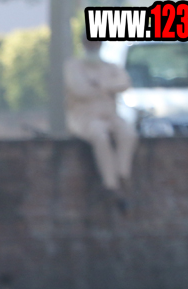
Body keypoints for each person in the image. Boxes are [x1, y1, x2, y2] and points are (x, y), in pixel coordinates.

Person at [66, 33, 138, 209]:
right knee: (100, 135)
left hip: (111, 115)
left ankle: (123, 174)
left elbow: (125, 83)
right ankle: (111, 184)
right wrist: (108, 86)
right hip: (85, 117)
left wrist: (99, 84)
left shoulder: (110, 66)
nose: (93, 46)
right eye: (90, 43)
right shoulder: (73, 66)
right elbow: (80, 89)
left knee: (128, 133)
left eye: (96, 43)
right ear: (84, 44)